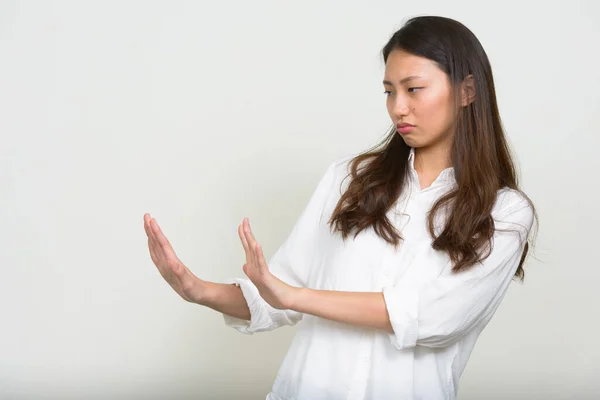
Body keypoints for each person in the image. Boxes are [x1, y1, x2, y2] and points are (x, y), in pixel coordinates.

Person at [143, 15, 538, 400]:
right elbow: (274, 292)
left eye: (413, 89)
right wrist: (199, 291)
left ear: (467, 90)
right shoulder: (348, 179)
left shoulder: (504, 212)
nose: (398, 107)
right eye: (389, 91)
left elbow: (432, 316)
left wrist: (296, 296)